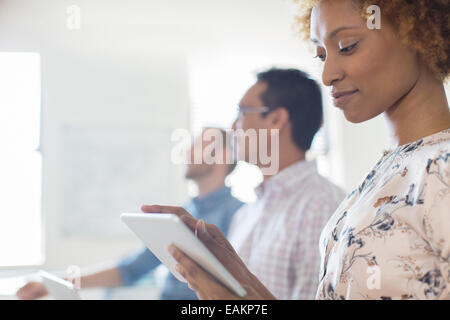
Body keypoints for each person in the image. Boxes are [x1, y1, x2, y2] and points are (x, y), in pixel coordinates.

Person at [142, 0, 450, 300]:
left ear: (417, 34)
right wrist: (242, 284)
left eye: (348, 46)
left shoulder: (442, 165)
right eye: (321, 55)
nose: (328, 75)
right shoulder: (380, 180)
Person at [16, 128, 243, 300]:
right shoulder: (185, 212)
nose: (188, 151)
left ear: (222, 155)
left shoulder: (240, 215)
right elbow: (131, 268)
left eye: (198, 145)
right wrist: (57, 282)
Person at [226, 68, 345, 299]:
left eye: (242, 112)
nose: (233, 127)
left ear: (276, 119)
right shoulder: (245, 214)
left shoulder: (321, 206)